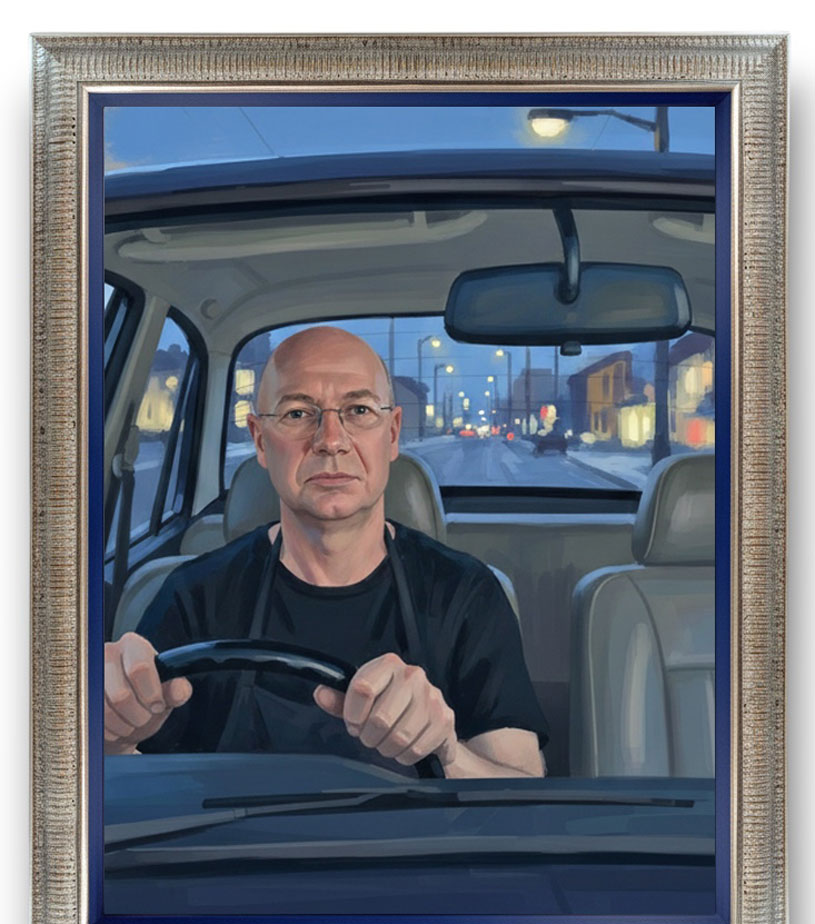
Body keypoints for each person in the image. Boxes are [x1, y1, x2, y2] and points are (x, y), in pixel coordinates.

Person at [104, 326, 548, 778]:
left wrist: (448, 751)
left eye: (359, 411)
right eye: (298, 413)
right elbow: (134, 787)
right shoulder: (192, 596)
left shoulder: (466, 594)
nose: (331, 440)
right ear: (260, 440)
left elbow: (521, 788)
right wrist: (114, 740)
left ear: (392, 433)